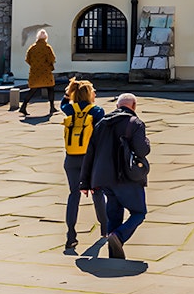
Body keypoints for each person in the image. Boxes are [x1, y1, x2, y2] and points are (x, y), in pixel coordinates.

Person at [80, 92, 149, 259]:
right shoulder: (135, 123)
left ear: (117, 106)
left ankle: (115, 255)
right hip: (126, 177)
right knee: (139, 212)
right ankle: (119, 236)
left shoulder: (102, 123)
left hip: (103, 179)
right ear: (134, 106)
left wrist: (85, 182)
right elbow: (142, 150)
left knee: (114, 213)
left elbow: (90, 153)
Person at [60, 78, 107, 251]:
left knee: (74, 195)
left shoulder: (69, 109)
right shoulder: (96, 111)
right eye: (93, 90)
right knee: (97, 192)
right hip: (90, 159)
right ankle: (105, 228)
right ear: (89, 94)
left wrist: (69, 90)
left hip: (71, 158)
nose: (95, 93)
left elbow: (62, 104)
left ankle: (71, 235)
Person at [21, 29, 57, 117]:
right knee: (50, 88)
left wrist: (34, 65)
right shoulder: (47, 47)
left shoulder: (32, 47)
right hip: (45, 71)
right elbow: (51, 59)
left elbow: (27, 59)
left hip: (35, 71)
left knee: (32, 89)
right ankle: (52, 107)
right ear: (46, 38)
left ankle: (23, 106)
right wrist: (49, 66)